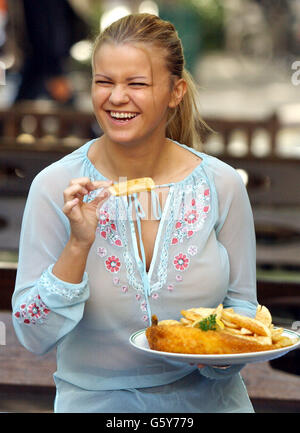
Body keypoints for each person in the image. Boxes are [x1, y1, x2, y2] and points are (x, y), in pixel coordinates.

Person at [12, 13, 257, 413]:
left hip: (211, 403)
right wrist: (78, 245)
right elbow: (32, 334)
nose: (116, 97)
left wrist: (218, 355)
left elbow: (243, 308)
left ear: (176, 91)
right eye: (104, 82)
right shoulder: (55, 187)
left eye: (137, 84)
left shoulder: (221, 184)